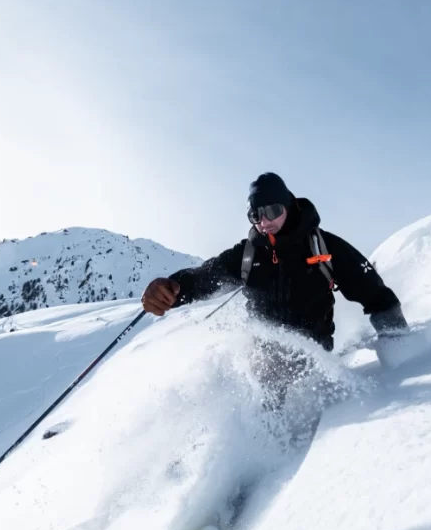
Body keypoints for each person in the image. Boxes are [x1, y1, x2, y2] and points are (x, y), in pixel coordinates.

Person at [140, 172, 408, 413]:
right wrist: (172, 288)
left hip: (312, 363)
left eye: (272, 211)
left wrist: (401, 348)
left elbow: (375, 294)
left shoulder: (324, 246)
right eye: (255, 216)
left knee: (285, 410)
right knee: (232, 399)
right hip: (261, 363)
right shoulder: (247, 254)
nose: (264, 222)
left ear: (289, 207)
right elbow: (205, 278)